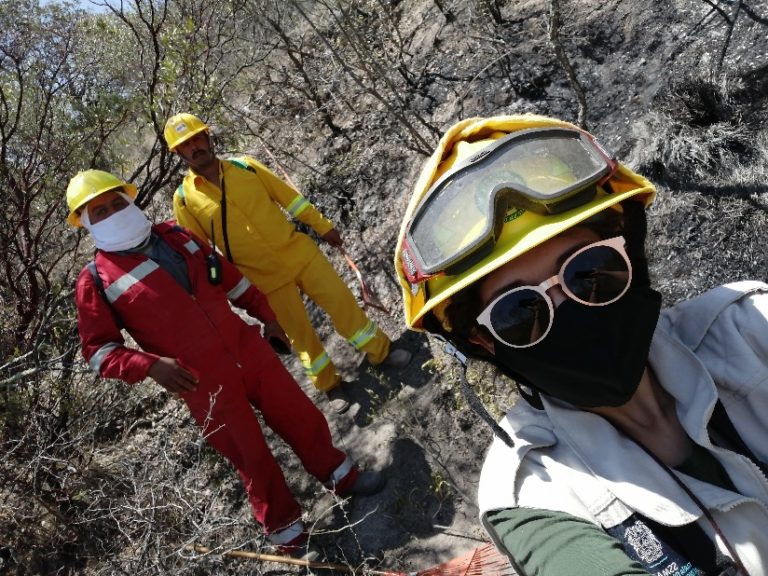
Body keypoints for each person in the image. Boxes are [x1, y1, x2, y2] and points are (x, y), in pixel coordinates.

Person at [395, 115, 768, 575]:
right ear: (482, 341)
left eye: (589, 271)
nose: (571, 309)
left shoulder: (750, 325)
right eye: (520, 312)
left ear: (628, 252)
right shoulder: (533, 493)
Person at [67, 169, 385, 559]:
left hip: (247, 349)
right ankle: (289, 536)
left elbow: (232, 281)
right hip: (200, 382)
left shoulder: (177, 235)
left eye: (118, 202)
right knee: (251, 457)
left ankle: (342, 476)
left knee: (300, 415)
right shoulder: (96, 279)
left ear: (131, 200)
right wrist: (148, 366)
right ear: (84, 223)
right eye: (99, 211)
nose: (113, 212)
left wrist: (267, 317)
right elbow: (98, 349)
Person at [163, 113, 412, 414]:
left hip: (299, 252)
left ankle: (381, 353)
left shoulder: (246, 167)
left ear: (208, 137)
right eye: (186, 145)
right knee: (301, 336)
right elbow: (200, 252)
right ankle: (330, 385)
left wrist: (323, 226)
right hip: (263, 279)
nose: (195, 148)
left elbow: (290, 199)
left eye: (197, 139)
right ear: (177, 153)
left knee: (343, 303)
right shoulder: (184, 200)